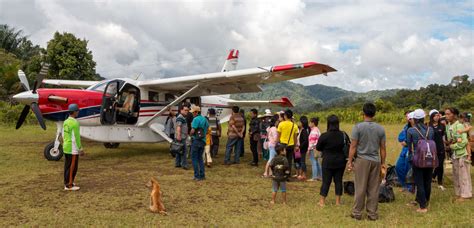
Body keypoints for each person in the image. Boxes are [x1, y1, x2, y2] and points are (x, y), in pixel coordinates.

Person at [347, 103, 386, 220]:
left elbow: (353, 146)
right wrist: (383, 163)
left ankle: (357, 213)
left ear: (363, 113)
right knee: (374, 188)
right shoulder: (380, 128)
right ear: (374, 114)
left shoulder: (358, 127)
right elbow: (383, 148)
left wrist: (350, 161)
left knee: (360, 187)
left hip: (362, 160)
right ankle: (372, 214)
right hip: (376, 160)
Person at [406, 109, 434, 213]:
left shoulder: (411, 130)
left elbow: (410, 147)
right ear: (423, 118)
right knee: (427, 181)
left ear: (414, 119)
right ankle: (425, 201)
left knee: (419, 182)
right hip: (430, 157)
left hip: (418, 159)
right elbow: (431, 142)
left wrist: (410, 159)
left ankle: (423, 207)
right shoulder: (430, 129)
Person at [316, 115, 346, 206]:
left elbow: (318, 147)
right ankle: (338, 202)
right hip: (340, 161)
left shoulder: (324, 135)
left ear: (328, 123)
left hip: (328, 160)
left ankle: (322, 201)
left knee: (326, 181)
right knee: (338, 181)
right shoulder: (343, 134)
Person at [445, 108, 472, 201]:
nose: (446, 116)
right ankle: (459, 193)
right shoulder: (448, 126)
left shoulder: (459, 126)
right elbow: (452, 139)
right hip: (455, 154)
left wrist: (451, 147)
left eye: (448, 114)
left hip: (462, 153)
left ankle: (466, 195)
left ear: (454, 115)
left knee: (463, 175)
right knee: (456, 174)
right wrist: (449, 143)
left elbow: (464, 141)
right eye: (446, 114)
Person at [63, 104, 85, 191]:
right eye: (77, 111)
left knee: (67, 166)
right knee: (73, 167)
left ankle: (67, 182)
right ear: (75, 112)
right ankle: (69, 185)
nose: (78, 112)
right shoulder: (75, 123)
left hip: (66, 146)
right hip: (72, 148)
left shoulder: (66, 121)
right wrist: (80, 149)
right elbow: (76, 138)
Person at [395, 111, 414, 192]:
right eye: (407, 117)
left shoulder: (418, 128)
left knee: (409, 168)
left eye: (410, 117)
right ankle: (404, 185)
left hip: (412, 150)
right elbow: (400, 137)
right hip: (405, 150)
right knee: (398, 166)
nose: (408, 119)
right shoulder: (406, 127)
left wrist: (407, 142)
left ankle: (411, 187)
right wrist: (405, 141)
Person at [277, 109, 299, 177]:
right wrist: (295, 146)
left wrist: (277, 143)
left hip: (282, 145)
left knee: (282, 160)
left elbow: (279, 136)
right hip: (291, 145)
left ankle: (281, 174)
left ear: (285, 116)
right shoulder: (294, 125)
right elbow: (295, 137)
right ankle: (287, 175)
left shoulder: (281, 124)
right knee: (289, 161)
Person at [189, 105, 209, 181]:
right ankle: (202, 175)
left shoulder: (195, 119)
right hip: (203, 141)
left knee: (194, 158)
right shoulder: (205, 119)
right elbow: (207, 130)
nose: (192, 114)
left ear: (196, 112)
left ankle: (196, 176)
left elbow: (193, 130)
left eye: (193, 112)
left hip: (196, 140)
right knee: (200, 158)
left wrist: (190, 134)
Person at [429, 109, 446, 191]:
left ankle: (440, 183)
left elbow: (443, 137)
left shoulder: (442, 126)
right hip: (430, 149)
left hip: (440, 148)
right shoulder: (428, 125)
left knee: (440, 165)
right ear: (432, 117)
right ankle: (428, 180)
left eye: (438, 116)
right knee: (429, 165)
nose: (437, 117)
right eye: (435, 116)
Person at [175, 105, 190, 170]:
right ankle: (184, 165)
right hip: (181, 137)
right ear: (181, 110)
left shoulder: (182, 117)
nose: (187, 111)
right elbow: (178, 126)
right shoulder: (180, 117)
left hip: (182, 137)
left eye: (187, 110)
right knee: (184, 151)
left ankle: (177, 164)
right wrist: (178, 136)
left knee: (178, 150)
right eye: (185, 110)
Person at [295, 116, 310, 180]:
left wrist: (299, 147)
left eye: (300, 122)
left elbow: (305, 141)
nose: (299, 123)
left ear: (302, 123)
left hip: (302, 149)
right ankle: (300, 174)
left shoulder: (304, 131)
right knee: (300, 161)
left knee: (302, 161)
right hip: (299, 149)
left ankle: (304, 175)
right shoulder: (301, 130)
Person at [308, 117, 322, 182]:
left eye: (310, 122)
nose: (309, 123)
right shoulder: (317, 130)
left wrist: (309, 149)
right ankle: (320, 176)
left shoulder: (314, 131)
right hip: (317, 148)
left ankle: (314, 177)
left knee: (314, 162)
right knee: (317, 162)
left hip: (313, 149)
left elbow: (312, 142)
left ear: (313, 123)